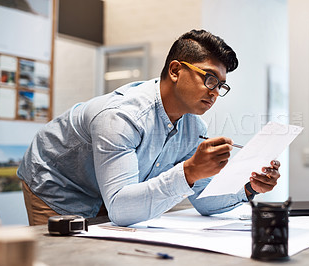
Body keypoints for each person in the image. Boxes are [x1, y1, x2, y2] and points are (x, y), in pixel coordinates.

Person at [17, 29, 281, 226]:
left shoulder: (193, 126)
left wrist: (248, 188)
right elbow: (121, 208)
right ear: (176, 70)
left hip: (107, 192)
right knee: (64, 255)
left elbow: (205, 199)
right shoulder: (121, 117)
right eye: (209, 79)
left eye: (221, 86)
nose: (214, 92)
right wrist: (189, 171)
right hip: (58, 182)